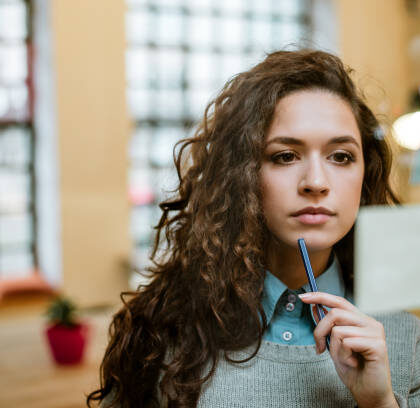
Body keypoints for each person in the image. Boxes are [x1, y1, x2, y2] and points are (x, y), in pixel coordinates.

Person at [87, 49, 420, 408]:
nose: (316, 182)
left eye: (340, 156)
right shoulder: (165, 331)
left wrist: (381, 402)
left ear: (364, 173)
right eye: (285, 156)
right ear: (242, 174)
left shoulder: (406, 339)